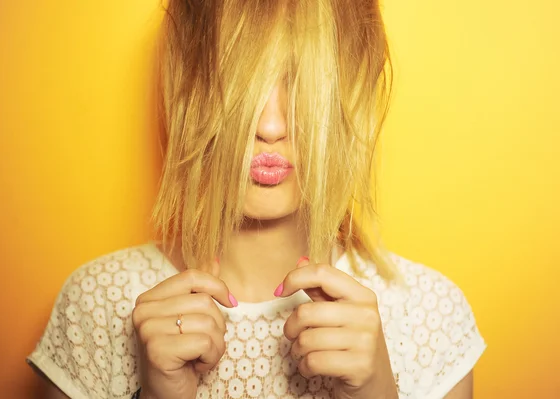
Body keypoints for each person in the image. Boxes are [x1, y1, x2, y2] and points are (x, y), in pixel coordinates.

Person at [27, 0, 486, 398]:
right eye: (242, 77)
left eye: (303, 81)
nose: (271, 126)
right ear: (189, 87)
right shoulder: (95, 304)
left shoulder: (431, 314)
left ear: (352, 91)